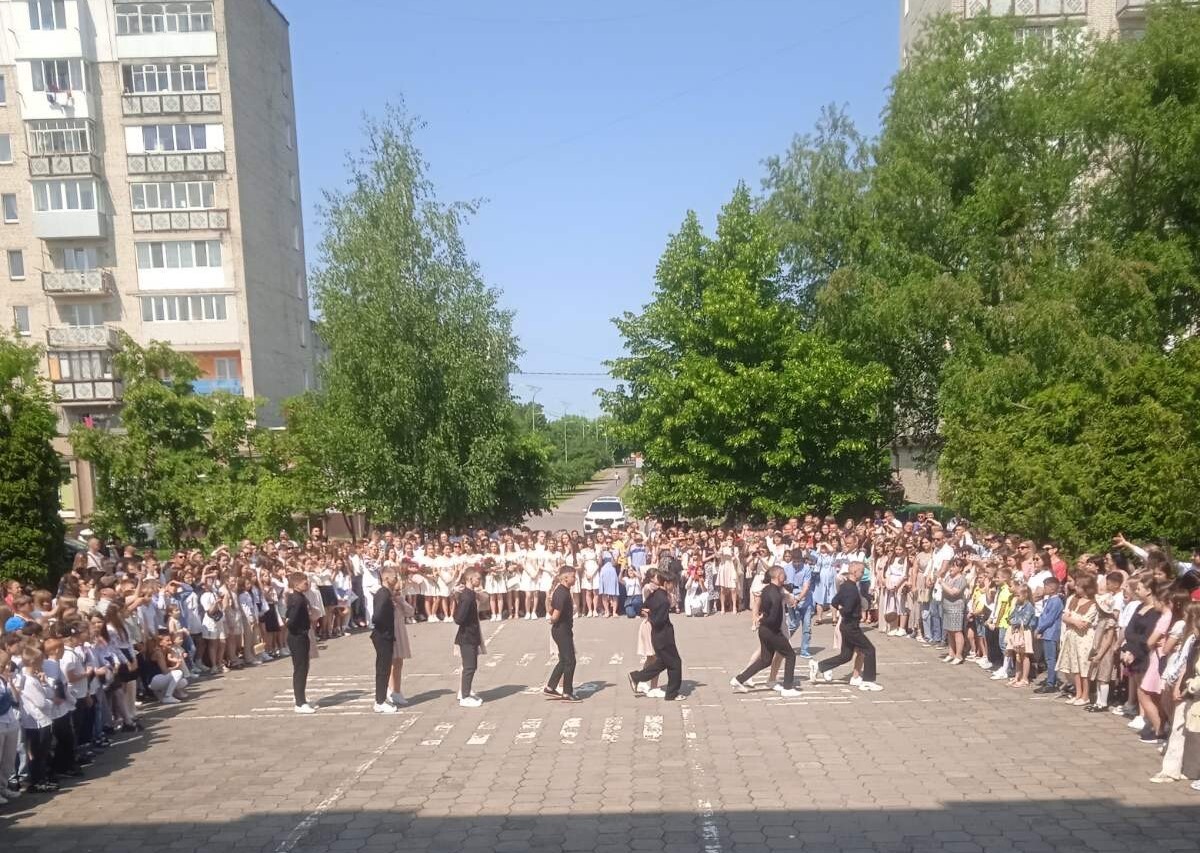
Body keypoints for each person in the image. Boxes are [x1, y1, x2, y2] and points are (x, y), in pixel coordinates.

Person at [810, 561, 882, 691]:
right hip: (851, 626)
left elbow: (834, 601)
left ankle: (820, 666)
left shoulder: (845, 586)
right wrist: (844, 610)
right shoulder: (851, 589)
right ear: (854, 572)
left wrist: (841, 608)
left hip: (846, 625)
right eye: (861, 571)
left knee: (846, 655)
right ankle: (868, 681)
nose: (863, 574)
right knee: (869, 650)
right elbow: (847, 609)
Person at [731, 566, 801, 697]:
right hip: (772, 631)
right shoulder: (775, 594)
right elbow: (774, 617)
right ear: (778, 576)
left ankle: (738, 680)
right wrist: (772, 627)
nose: (785, 576)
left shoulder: (768, 589)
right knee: (790, 655)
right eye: (783, 574)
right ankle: (787, 688)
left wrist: (762, 620)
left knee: (765, 660)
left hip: (764, 630)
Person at [627, 569, 684, 701]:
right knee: (675, 664)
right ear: (666, 583)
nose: (674, 586)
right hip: (663, 636)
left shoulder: (656, 594)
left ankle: (636, 677)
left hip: (658, 636)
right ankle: (672, 693)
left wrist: (647, 612)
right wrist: (651, 615)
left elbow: (643, 607)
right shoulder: (663, 600)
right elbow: (658, 620)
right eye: (672, 583)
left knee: (662, 663)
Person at [544, 567, 581, 701]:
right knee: (570, 661)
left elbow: (551, 609)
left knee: (564, 660)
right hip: (561, 630)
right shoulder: (562, 593)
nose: (575, 579)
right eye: (573, 576)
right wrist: (552, 619)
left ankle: (550, 687)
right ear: (566, 578)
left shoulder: (562, 591)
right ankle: (567, 692)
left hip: (562, 630)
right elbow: (554, 615)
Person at [370, 570, 402, 714]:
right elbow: (377, 616)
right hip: (382, 635)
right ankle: (380, 701)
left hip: (386, 635)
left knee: (385, 668)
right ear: (386, 578)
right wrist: (384, 628)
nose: (396, 579)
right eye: (394, 577)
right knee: (383, 669)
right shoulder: (383, 593)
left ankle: (381, 698)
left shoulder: (387, 593)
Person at [285, 572, 315, 714]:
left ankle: (300, 695)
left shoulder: (299, 597)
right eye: (304, 582)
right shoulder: (297, 599)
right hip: (297, 636)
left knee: (303, 667)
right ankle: (300, 702)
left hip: (301, 635)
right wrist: (297, 628)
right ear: (296, 584)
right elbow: (291, 619)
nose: (307, 584)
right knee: (300, 668)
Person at [454, 570, 484, 708]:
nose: (479, 580)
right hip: (466, 636)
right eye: (477, 578)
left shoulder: (470, 594)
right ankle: (464, 696)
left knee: (472, 665)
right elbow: (459, 618)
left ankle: (466, 691)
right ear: (470, 579)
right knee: (469, 666)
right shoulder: (467, 596)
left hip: (472, 635)